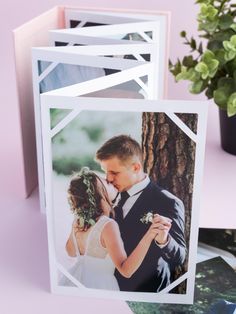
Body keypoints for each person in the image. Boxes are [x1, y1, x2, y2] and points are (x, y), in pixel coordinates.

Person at [95, 135, 186, 292]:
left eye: (114, 172)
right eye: (106, 172)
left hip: (148, 292)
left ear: (136, 167)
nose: (108, 179)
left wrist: (164, 240)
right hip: (111, 287)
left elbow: (180, 258)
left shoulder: (168, 202)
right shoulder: (108, 197)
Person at [60, 167, 162, 290]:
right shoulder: (107, 225)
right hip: (99, 285)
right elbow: (126, 270)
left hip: (75, 279)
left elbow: (70, 251)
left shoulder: (78, 222)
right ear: (99, 194)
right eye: (107, 183)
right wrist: (149, 235)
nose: (111, 181)